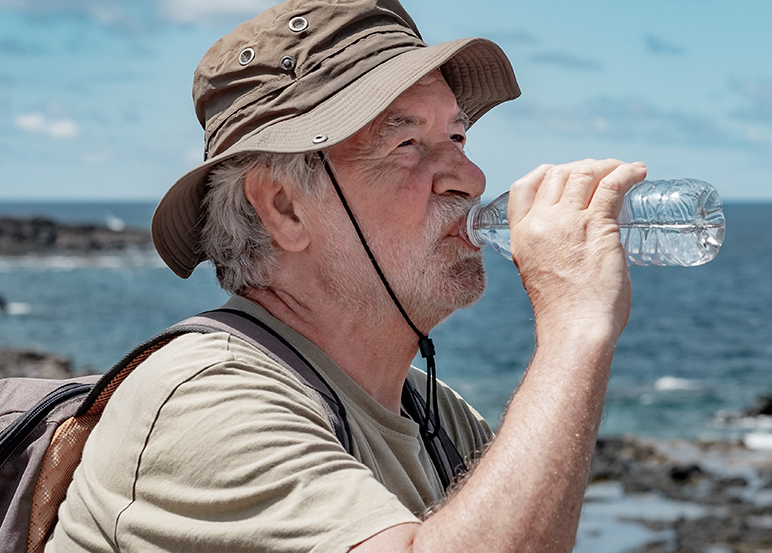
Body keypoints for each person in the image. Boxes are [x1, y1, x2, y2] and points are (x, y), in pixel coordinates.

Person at [47, 0, 647, 551]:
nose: (470, 176)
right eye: (407, 143)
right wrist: (574, 326)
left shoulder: (436, 414)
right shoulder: (203, 401)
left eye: (458, 135)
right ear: (283, 208)